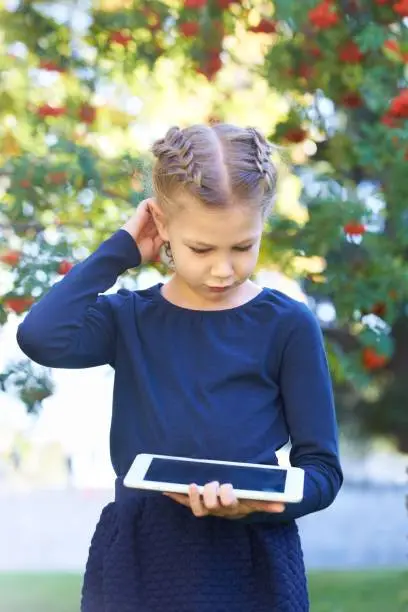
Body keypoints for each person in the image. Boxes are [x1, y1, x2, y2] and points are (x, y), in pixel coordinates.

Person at [16, 123, 343, 612]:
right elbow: (41, 336)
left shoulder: (288, 324)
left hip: (251, 561)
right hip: (140, 555)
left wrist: (263, 504)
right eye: (202, 249)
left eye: (243, 246)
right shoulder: (128, 317)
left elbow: (322, 470)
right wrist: (121, 249)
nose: (223, 269)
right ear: (162, 227)